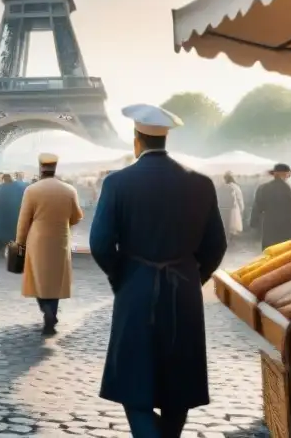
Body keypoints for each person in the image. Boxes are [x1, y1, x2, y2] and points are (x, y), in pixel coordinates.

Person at [90, 103, 226, 438]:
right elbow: (216, 245)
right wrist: (195, 277)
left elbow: (101, 244)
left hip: (136, 286)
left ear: (136, 140)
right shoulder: (201, 183)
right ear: (165, 140)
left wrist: (120, 276)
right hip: (184, 290)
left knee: (133, 379)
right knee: (179, 380)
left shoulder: (117, 183)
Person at [16, 153, 83, 335]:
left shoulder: (32, 190)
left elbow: (23, 221)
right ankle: (52, 313)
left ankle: (46, 310)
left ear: (40, 168)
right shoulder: (69, 190)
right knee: (55, 279)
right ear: (55, 168)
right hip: (60, 238)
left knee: (39, 278)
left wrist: (20, 242)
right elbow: (77, 216)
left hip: (37, 240)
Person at [250, 163, 291, 250]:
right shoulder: (285, 187)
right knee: (283, 251)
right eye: (288, 174)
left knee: (269, 249)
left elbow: (257, 206)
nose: (288, 176)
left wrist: (254, 222)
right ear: (283, 174)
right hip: (284, 224)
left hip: (269, 223)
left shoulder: (263, 187)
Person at [0, 173, 27, 256]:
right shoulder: (17, 187)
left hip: (3, 213)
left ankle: (1, 250)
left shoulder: (1, 187)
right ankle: (14, 250)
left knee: (3, 232)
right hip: (14, 212)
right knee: (13, 232)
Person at [216, 172, 244, 239]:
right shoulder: (235, 186)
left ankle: (227, 237)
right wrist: (241, 207)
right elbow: (239, 197)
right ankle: (230, 237)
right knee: (233, 223)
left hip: (225, 206)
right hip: (234, 207)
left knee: (227, 223)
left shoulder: (223, 187)